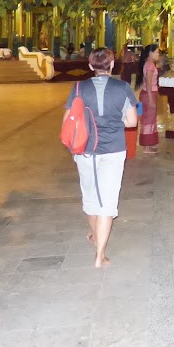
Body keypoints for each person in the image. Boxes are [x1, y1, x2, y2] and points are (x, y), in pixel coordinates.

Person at [64, 48, 138, 267]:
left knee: (90, 196)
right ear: (112, 64)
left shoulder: (78, 88)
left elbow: (68, 121)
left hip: (85, 150)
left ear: (90, 66)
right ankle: (100, 255)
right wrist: (116, 122)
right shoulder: (123, 88)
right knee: (107, 201)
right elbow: (132, 122)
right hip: (113, 150)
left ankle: (96, 237)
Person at [136, 43, 161, 154]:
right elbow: (149, 82)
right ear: (151, 53)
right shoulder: (150, 65)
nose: (158, 54)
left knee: (146, 118)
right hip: (149, 94)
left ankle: (149, 143)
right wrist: (151, 98)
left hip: (144, 94)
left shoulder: (147, 64)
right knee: (148, 119)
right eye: (157, 52)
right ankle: (146, 146)